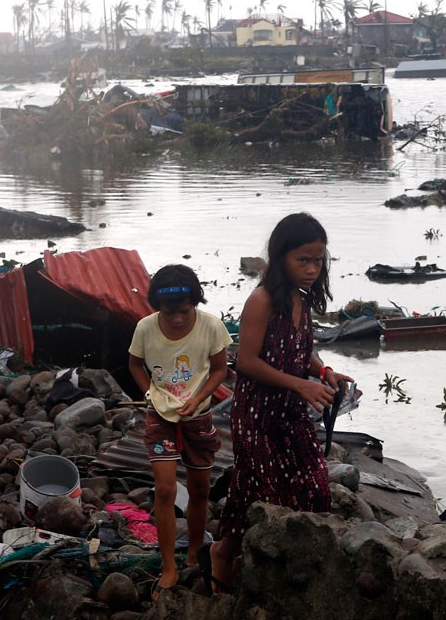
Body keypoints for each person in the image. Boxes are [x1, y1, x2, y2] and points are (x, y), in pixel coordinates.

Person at [207, 212, 352, 593]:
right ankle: (227, 555)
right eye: (302, 260)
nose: (311, 269)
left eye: (318, 261)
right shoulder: (262, 300)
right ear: (280, 257)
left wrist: (323, 374)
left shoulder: (301, 299)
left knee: (315, 488)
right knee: (265, 492)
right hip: (257, 413)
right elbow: (247, 362)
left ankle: (255, 558)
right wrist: (300, 386)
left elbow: (302, 351)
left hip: (290, 411)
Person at [126, 264, 231, 599]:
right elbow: (134, 363)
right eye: (167, 312)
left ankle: (195, 549)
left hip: (198, 418)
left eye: (183, 312)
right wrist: (149, 394)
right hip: (161, 419)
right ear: (157, 306)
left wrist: (199, 397)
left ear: (194, 304)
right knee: (165, 489)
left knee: (200, 490)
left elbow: (220, 369)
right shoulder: (145, 328)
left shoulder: (211, 326)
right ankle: (168, 564)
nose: (175, 319)